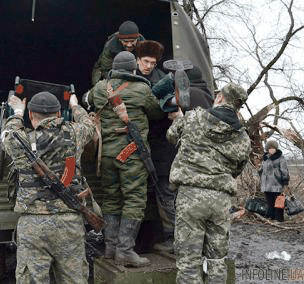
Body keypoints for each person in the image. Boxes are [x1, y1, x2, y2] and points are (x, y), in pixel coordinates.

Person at [1, 91, 95, 283]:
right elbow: (89, 125)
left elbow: (8, 132)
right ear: (60, 114)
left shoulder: (20, 140)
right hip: (69, 222)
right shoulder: (76, 133)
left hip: (33, 225)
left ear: (30, 115)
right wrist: (75, 106)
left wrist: (17, 111)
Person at [167, 82, 251, 283]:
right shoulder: (243, 137)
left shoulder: (193, 118)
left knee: (189, 262)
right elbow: (237, 169)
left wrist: (179, 119)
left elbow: (171, 136)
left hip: (191, 198)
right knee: (217, 261)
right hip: (221, 201)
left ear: (220, 98)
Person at [86, 51, 164, 267]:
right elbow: (156, 112)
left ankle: (110, 248)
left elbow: (89, 100)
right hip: (132, 153)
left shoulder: (101, 87)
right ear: (133, 69)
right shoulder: (142, 89)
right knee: (134, 199)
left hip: (107, 155)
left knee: (111, 198)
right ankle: (126, 250)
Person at [149, 64, 214, 254]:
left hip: (172, 155)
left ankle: (174, 240)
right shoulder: (207, 95)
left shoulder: (189, 94)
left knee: (168, 196)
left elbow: (162, 106)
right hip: (197, 160)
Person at [91, 20, 144, 85]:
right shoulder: (110, 46)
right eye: (126, 41)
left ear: (137, 39)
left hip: (134, 71)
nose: (129, 45)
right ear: (120, 40)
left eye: (132, 41)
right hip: (110, 71)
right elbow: (106, 69)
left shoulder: (143, 45)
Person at [259, 139, 289, 222]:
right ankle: (271, 218)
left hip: (277, 184)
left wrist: (285, 181)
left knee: (279, 203)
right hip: (267, 185)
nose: (272, 149)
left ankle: (279, 219)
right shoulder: (265, 158)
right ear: (267, 149)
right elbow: (262, 170)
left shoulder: (281, 158)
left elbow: (284, 170)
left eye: (273, 148)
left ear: (276, 149)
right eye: (270, 148)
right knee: (270, 203)